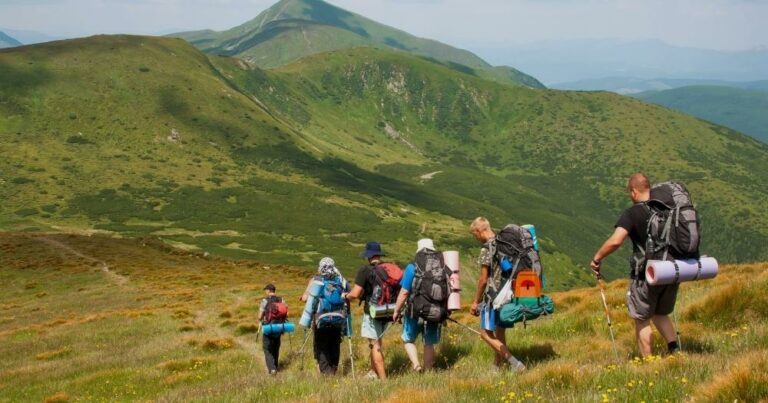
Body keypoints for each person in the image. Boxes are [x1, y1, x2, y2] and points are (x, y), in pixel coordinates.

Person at [590, 173, 679, 357]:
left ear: (633, 191)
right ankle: (674, 350)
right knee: (660, 313)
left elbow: (616, 241)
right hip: (670, 271)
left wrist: (597, 258)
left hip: (645, 275)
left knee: (642, 319)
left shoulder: (632, 213)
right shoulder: (666, 209)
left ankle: (649, 363)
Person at [469, 217, 526, 371]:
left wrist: (476, 301)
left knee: (485, 334)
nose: (476, 239)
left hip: (493, 297)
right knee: (500, 331)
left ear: (479, 231)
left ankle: (515, 364)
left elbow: (483, 279)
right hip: (509, 294)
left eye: (475, 235)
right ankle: (497, 365)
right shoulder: (505, 244)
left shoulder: (487, 248)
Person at [342, 241, 392, 380]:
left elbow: (356, 293)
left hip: (373, 312)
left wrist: (346, 295)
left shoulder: (365, 270)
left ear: (368, 256)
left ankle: (384, 381)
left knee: (374, 345)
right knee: (378, 342)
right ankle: (373, 372)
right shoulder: (387, 269)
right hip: (387, 311)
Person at [392, 238, 444, 372]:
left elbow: (404, 292)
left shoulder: (412, 267)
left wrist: (396, 311)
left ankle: (416, 365)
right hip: (434, 311)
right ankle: (428, 372)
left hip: (414, 311)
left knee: (408, 340)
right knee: (429, 343)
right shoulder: (441, 267)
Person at [300, 257, 351, 375]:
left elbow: (306, 298)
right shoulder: (341, 280)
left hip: (320, 319)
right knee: (334, 344)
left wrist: (304, 297)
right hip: (338, 318)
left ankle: (327, 374)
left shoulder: (316, 280)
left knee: (321, 345)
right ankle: (333, 370)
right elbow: (350, 294)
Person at [258, 283, 286, 375]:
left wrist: (261, 318)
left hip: (268, 327)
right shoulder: (281, 299)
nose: (265, 292)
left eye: (266, 290)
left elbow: (259, 316)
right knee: (275, 347)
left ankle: (272, 369)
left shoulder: (265, 300)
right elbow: (286, 311)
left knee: (267, 348)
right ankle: (276, 366)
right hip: (279, 327)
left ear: (269, 290)